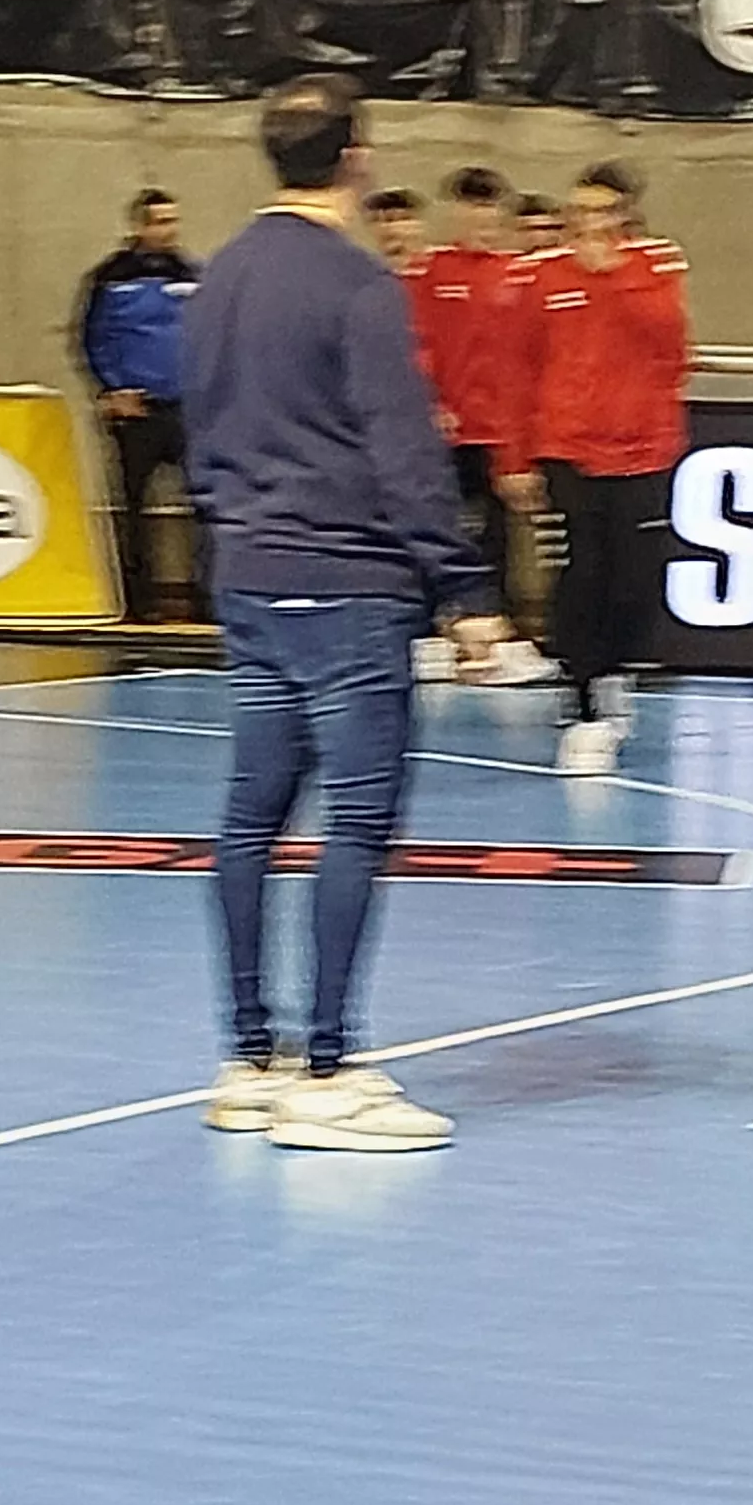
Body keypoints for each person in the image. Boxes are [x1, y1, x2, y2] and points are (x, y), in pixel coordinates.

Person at [184, 76, 514, 1157]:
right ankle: (327, 1073)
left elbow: (201, 432)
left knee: (250, 821)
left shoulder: (220, 275)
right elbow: (404, 449)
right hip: (349, 587)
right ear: (358, 157)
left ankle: (250, 1061)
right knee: (355, 827)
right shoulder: (361, 286)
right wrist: (464, 590)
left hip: (248, 579)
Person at [511, 161, 689, 772]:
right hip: (568, 449)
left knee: (635, 577)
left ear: (626, 213)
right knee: (581, 572)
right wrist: (516, 457)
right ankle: (583, 694)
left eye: (603, 210)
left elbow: (671, 347)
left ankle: (616, 671)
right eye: (580, 210)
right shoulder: (542, 274)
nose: (589, 222)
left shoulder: (658, 265)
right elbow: (521, 369)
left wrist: (613, 275)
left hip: (644, 450)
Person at [75, 188, 203, 622]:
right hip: (136, 411)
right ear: (140, 226)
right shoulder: (110, 278)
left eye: (173, 221)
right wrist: (114, 389)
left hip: (186, 409)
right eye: (160, 222)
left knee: (207, 507)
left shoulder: (191, 274)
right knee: (132, 508)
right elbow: (91, 340)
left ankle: (207, 600)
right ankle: (137, 603)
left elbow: (208, 336)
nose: (169, 230)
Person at [410, 167, 534, 605]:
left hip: (502, 433)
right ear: (455, 214)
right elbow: (414, 344)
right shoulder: (429, 271)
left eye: (489, 210)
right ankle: (439, 615)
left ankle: (492, 614)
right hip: (448, 431)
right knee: (441, 528)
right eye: (471, 209)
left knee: (498, 536)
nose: (481, 219)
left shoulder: (521, 275)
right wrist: (431, 402)